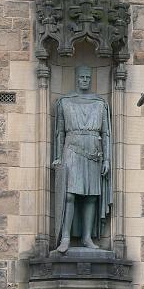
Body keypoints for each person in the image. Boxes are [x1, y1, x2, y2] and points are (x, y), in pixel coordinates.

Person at [52, 65, 112, 253]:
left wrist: (107, 159)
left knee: (91, 197)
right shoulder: (64, 102)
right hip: (71, 150)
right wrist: (57, 157)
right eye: (82, 77)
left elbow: (106, 133)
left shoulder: (100, 104)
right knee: (70, 195)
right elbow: (59, 132)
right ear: (76, 78)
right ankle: (66, 237)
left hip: (94, 153)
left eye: (88, 77)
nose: (85, 80)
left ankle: (87, 237)